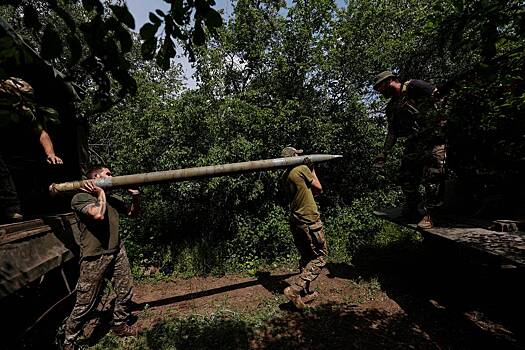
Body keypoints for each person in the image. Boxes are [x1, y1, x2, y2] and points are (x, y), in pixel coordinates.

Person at [63, 166, 140, 349]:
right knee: (85, 303)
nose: (112, 177)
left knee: (125, 290)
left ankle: (119, 325)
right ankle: (69, 341)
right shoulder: (80, 198)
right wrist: (100, 193)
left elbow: (133, 213)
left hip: (116, 251)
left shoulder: (111, 199)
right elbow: (98, 214)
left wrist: (136, 196)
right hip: (94, 257)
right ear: (96, 177)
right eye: (108, 174)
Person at [373, 70, 446, 229]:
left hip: (433, 137)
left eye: (380, 87)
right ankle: (413, 208)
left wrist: (441, 118)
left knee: (433, 175)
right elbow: (392, 132)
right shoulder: (392, 107)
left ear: (390, 81)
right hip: (415, 142)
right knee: (405, 176)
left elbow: (438, 96)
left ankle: (432, 214)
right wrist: (384, 152)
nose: (380, 92)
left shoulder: (413, 86)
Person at [0, 77, 63, 223]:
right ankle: (11, 208)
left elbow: (42, 133)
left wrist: (51, 153)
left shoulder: (24, 111)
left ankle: (21, 208)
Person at [280, 147, 328, 310]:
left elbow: (306, 192)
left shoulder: (284, 176)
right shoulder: (301, 169)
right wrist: (312, 169)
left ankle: (305, 293)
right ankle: (295, 290)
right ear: (293, 157)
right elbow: (318, 189)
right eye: (297, 155)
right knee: (320, 257)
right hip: (309, 219)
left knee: (306, 255)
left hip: (295, 219)